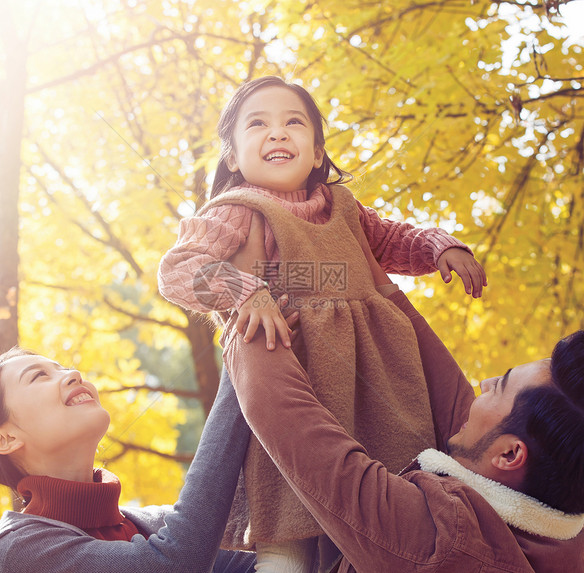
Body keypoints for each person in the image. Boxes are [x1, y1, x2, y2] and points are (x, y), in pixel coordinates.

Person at [157, 75, 487, 571]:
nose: (277, 133)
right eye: (258, 124)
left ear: (316, 152)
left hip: (379, 385)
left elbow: (395, 239)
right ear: (232, 157)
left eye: (294, 122)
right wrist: (247, 292)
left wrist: (439, 246)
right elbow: (179, 270)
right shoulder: (237, 212)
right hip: (296, 395)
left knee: (385, 518)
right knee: (290, 532)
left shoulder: (345, 207)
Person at [222, 282, 584, 572]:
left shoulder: (443, 544)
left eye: (497, 387)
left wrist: (249, 325)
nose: (480, 385)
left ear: (510, 454)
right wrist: (363, 261)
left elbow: (297, 431)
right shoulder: (567, 526)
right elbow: (441, 382)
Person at [0, 348, 258, 573]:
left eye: (61, 367)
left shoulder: (143, 525)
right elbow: (176, 564)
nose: (73, 373)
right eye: (39, 376)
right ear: (5, 439)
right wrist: (239, 363)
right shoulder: (14, 555)